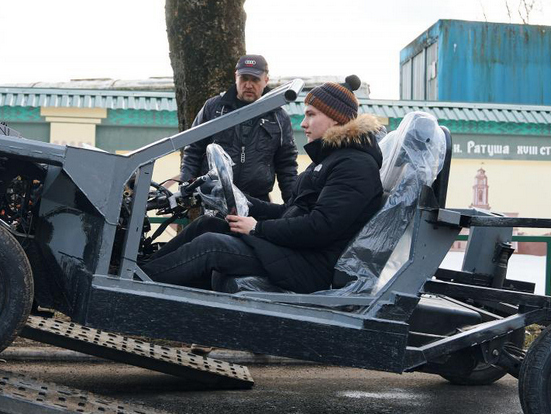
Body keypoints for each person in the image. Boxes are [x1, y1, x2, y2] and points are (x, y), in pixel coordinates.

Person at [143, 76, 384, 294]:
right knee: (208, 224)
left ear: (336, 119)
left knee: (211, 245)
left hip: (310, 265)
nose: (303, 123)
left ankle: (138, 290)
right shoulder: (330, 159)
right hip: (297, 253)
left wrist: (257, 229)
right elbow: (288, 211)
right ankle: (139, 272)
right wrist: (246, 201)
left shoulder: (354, 166)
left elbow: (320, 227)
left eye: (311, 114)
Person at [180, 54, 298, 202]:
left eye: (255, 79)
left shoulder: (279, 117)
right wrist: (185, 188)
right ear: (236, 77)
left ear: (266, 80)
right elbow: (193, 150)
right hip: (215, 200)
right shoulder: (214, 108)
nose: (248, 85)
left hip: (258, 203)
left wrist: (294, 204)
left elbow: (287, 166)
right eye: (244, 78)